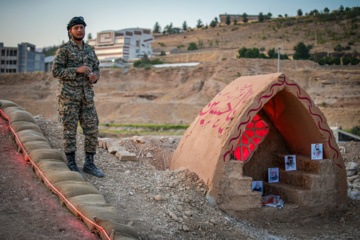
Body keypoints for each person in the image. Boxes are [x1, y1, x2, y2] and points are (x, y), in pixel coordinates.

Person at [52, 16, 104, 178]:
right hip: (69, 98)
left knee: (92, 129)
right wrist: (76, 70)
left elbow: (96, 68)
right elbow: (56, 71)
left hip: (87, 97)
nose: (79, 30)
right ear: (70, 31)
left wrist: (95, 77)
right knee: (70, 131)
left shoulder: (89, 50)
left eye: (82, 27)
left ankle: (89, 163)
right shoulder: (64, 50)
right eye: (76, 28)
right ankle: (72, 164)